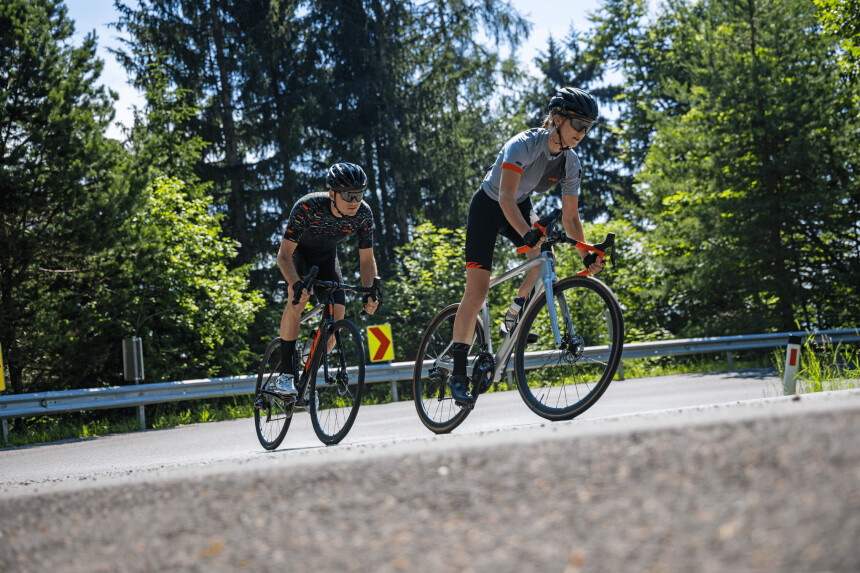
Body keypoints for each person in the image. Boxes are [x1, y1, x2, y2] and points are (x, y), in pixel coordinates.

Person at [447, 87, 606, 406]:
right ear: (558, 119)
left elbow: (571, 219)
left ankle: (515, 310)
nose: (583, 133)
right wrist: (526, 231)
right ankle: (459, 373)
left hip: (519, 205)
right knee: (477, 292)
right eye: (578, 125)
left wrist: (586, 252)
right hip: (489, 207)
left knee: (544, 256)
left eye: (588, 127)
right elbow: (504, 198)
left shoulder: (570, 163)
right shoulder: (523, 145)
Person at [272, 162, 380, 396]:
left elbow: (366, 259)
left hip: (327, 259)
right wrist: (296, 283)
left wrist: (371, 291)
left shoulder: (363, 214)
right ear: (332, 193)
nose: (354, 201)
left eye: (359, 194)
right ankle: (286, 375)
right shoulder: (307, 207)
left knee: (338, 314)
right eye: (348, 195)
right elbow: (283, 255)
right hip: (298, 256)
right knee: (297, 300)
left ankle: (310, 365)